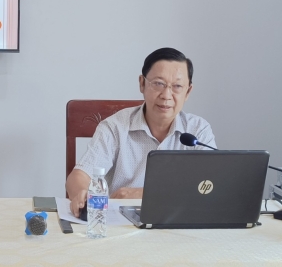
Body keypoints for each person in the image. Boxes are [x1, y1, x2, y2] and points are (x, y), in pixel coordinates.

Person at [66, 47, 216, 218]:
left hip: (178, 221)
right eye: (158, 84)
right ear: (142, 84)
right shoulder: (115, 127)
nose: (166, 95)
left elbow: (210, 185)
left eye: (177, 86)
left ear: (187, 92)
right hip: (120, 222)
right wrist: (82, 194)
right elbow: (79, 176)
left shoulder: (198, 131)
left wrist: (141, 194)